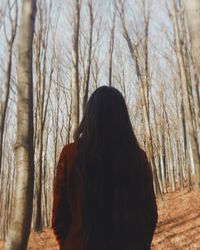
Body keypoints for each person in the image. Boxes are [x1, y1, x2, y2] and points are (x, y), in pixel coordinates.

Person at [52, 86, 158, 250]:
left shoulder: (70, 155)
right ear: (123, 119)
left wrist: (70, 243)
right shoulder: (137, 158)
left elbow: (59, 218)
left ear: (90, 116)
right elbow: (149, 215)